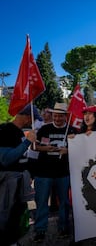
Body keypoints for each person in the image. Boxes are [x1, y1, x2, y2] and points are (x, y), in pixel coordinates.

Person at [31, 103, 77, 243]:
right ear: (52, 116)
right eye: (55, 115)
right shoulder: (44, 129)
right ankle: (40, 230)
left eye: (60, 116)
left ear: (65, 116)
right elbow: (34, 146)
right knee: (42, 202)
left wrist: (68, 150)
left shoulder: (72, 130)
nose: (57, 118)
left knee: (64, 203)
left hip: (63, 173)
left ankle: (63, 227)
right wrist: (45, 149)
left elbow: (82, 149)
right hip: (43, 173)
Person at [0, 105, 38, 246]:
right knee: (5, 213)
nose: (32, 122)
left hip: (18, 179)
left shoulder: (19, 132)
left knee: (16, 212)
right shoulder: (5, 131)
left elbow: (21, 156)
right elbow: (6, 159)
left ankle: (12, 240)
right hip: (7, 180)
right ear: (27, 116)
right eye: (31, 119)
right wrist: (28, 142)